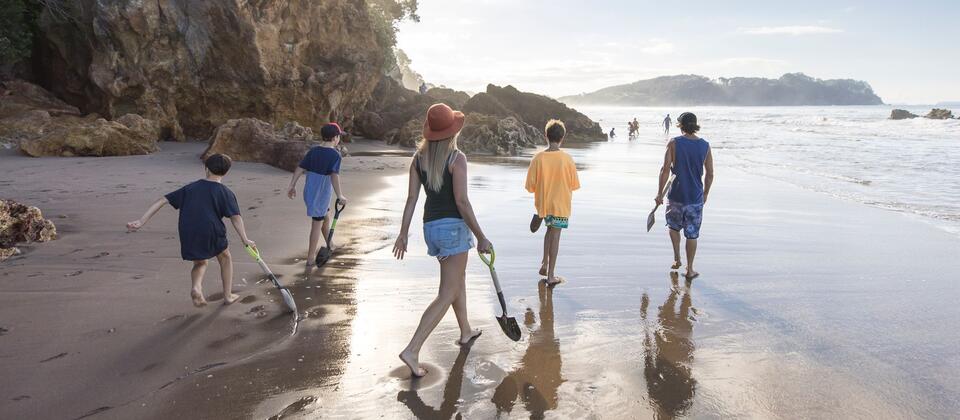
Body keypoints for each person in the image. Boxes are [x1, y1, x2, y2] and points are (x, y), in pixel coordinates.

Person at [394, 103, 492, 377]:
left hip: (431, 228)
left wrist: (403, 234)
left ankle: (465, 330)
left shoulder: (418, 158)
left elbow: (412, 198)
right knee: (447, 292)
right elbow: (461, 201)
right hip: (452, 229)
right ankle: (412, 349)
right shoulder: (456, 158)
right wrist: (481, 236)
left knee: (456, 281)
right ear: (452, 131)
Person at [126, 154, 255, 306]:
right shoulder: (225, 192)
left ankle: (196, 287)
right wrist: (244, 238)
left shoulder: (190, 188)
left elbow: (163, 200)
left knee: (200, 262)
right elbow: (235, 217)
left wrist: (141, 221)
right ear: (226, 172)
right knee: (225, 258)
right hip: (211, 229)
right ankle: (227, 296)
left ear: (206, 169)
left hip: (188, 229)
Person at [655, 112, 713, 279]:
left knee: (673, 227)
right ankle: (690, 269)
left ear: (680, 125)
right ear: (695, 125)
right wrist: (706, 193)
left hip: (675, 196)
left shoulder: (674, 143)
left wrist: (659, 193)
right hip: (695, 197)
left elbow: (665, 169)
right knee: (692, 233)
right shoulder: (705, 145)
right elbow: (710, 174)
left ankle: (677, 258)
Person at [525, 120, 581, 286]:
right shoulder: (567, 159)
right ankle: (551, 275)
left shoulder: (538, 158)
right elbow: (574, 184)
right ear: (562, 137)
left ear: (546, 136)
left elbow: (530, 186)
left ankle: (544, 262)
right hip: (561, 204)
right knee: (555, 235)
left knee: (549, 231)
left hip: (543, 204)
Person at [287, 123, 348, 267]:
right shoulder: (335, 155)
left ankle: (330, 244)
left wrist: (292, 185)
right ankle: (310, 259)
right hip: (320, 194)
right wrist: (340, 195)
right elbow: (334, 175)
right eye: (339, 136)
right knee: (316, 224)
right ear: (335, 138)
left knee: (325, 218)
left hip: (310, 191)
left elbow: (300, 168)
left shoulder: (313, 151)